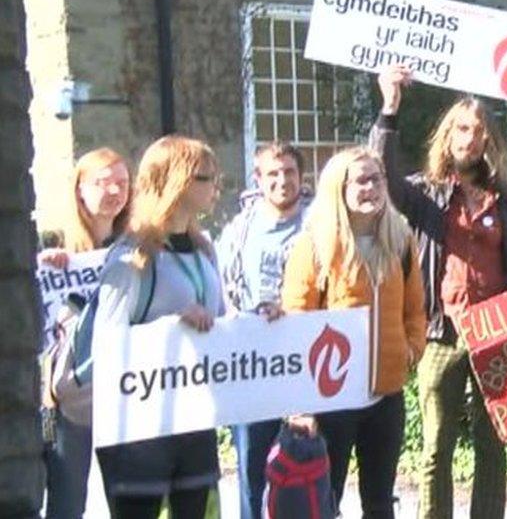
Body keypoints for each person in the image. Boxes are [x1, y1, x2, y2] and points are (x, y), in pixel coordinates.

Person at [371, 65, 507, 519]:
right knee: (436, 444)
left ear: (487, 140)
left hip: (496, 333)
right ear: (447, 136)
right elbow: (381, 172)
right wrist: (389, 109)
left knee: (493, 442)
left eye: (478, 130)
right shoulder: (426, 196)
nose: (469, 137)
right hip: (441, 334)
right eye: (461, 128)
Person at [281, 146, 427, 518]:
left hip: (386, 395)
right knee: (325, 497)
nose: (371, 188)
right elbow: (296, 320)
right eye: (361, 181)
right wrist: (301, 402)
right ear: (338, 188)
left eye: (377, 179)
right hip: (332, 397)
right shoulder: (314, 244)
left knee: (380, 500)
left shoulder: (401, 239)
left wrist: (411, 349)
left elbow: (415, 309)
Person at [93, 135, 224, 518]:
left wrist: (261, 319)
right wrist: (170, 326)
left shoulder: (204, 249)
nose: (216, 186)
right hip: (139, 429)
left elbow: (221, 322)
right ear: (175, 181)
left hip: (195, 418)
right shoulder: (131, 255)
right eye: (205, 177)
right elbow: (108, 342)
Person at [216, 141, 312, 519]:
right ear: (258, 179)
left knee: (305, 472)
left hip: (303, 364)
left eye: (289, 171)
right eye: (272, 173)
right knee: (252, 476)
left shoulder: (319, 225)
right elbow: (222, 291)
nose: (282, 180)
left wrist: (292, 309)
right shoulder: (238, 231)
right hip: (252, 366)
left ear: (301, 177)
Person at [39, 147, 131, 519]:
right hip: (68, 397)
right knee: (66, 501)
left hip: (125, 391)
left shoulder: (135, 248)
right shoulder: (52, 245)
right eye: (103, 182)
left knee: (128, 499)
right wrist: (47, 267)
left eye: (122, 182)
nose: (114, 191)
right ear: (80, 189)